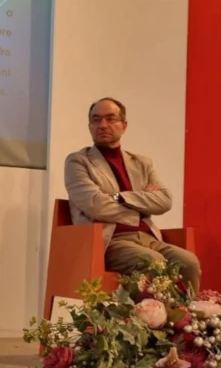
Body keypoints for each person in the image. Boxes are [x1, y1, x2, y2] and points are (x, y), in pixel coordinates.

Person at [64, 98, 201, 292]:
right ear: (90, 126)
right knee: (153, 262)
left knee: (189, 262)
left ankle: (185, 311)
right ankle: (154, 312)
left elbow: (164, 201)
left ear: (124, 125)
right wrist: (142, 203)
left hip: (149, 238)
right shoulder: (78, 161)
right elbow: (96, 205)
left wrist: (119, 197)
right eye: (96, 119)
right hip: (110, 241)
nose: (102, 125)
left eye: (110, 119)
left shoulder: (142, 163)